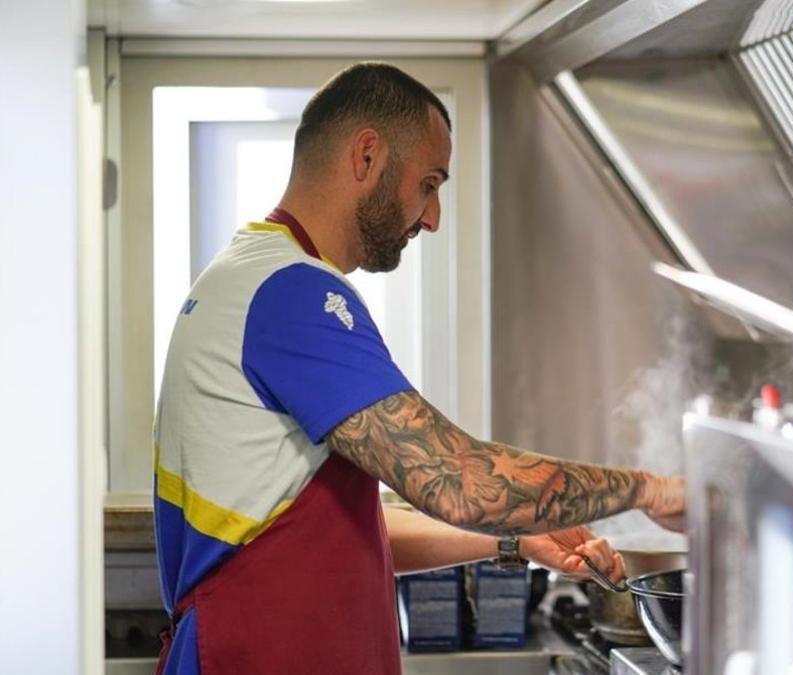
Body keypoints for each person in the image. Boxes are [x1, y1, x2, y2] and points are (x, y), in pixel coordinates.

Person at [151, 62, 686, 674]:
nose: (431, 217)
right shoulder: (290, 292)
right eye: (428, 184)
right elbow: (457, 481)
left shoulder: (247, 274)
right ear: (369, 156)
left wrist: (512, 541)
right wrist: (650, 489)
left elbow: (348, 532)